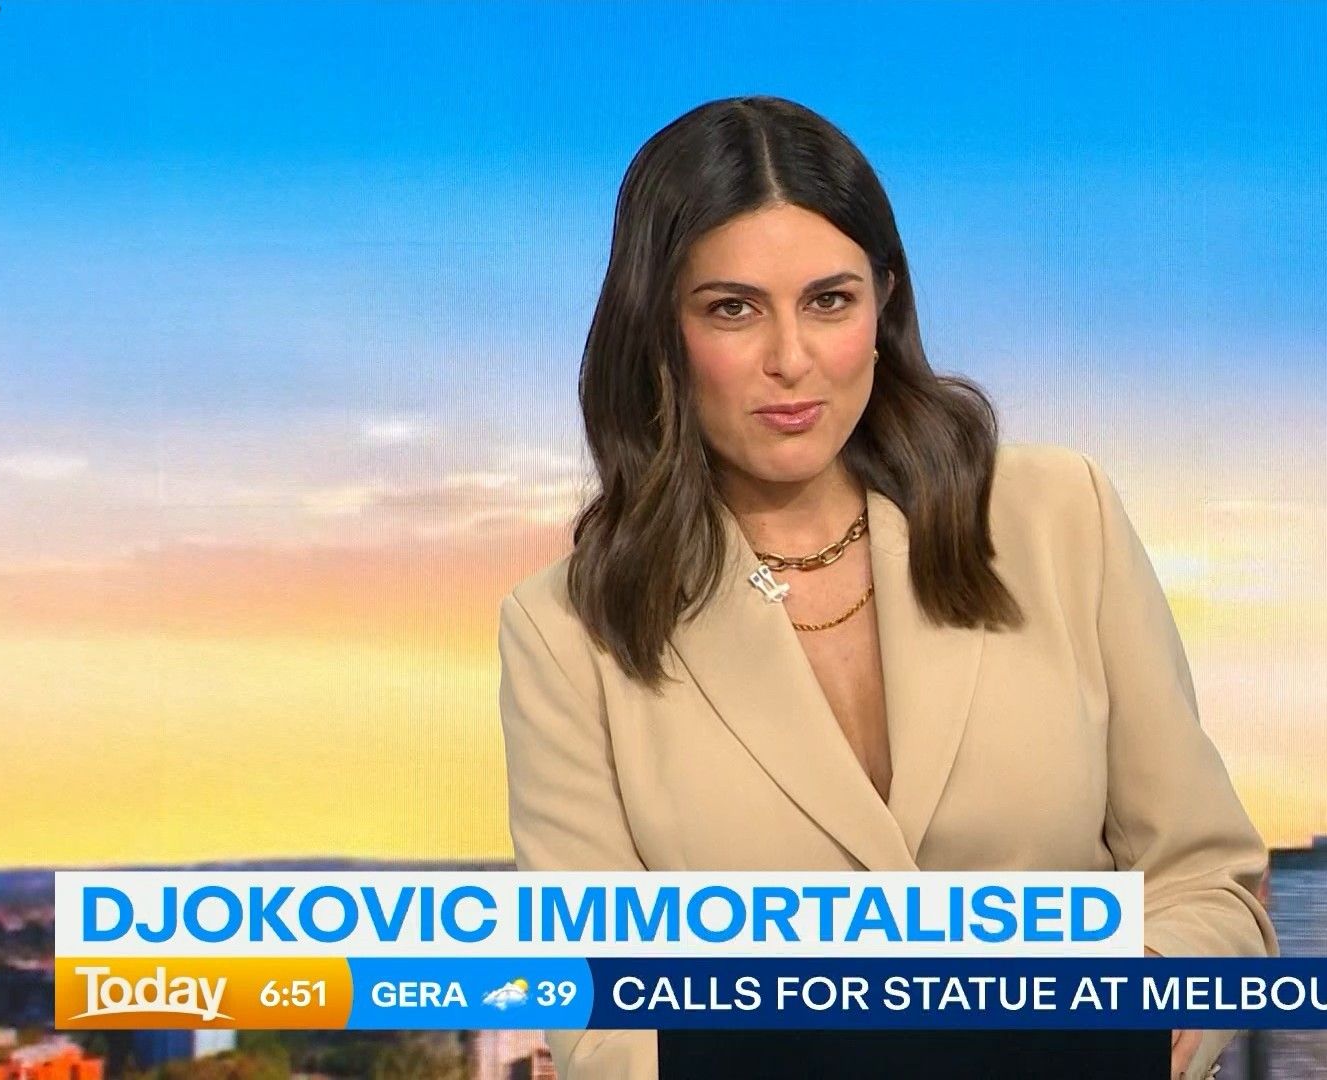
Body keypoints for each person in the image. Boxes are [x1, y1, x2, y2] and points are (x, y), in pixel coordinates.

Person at [496, 95, 1278, 1080]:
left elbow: (1206, 885)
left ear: (883, 307)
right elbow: (603, 1022)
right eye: (733, 308)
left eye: (830, 301)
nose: (791, 360)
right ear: (656, 329)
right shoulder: (565, 631)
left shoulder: (1057, 517)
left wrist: (1137, 1014)